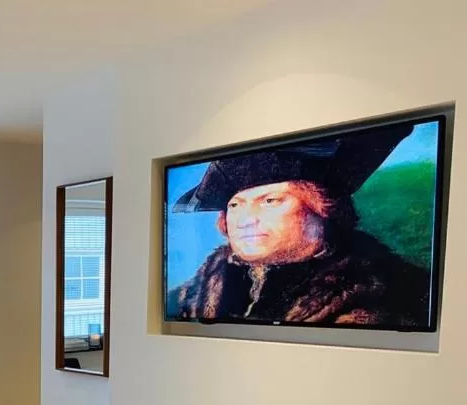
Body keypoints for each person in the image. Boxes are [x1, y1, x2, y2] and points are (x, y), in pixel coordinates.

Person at [169, 124, 434, 327]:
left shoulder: (388, 290)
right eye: (235, 205)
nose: (245, 219)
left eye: (271, 200)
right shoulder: (203, 283)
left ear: (322, 209)